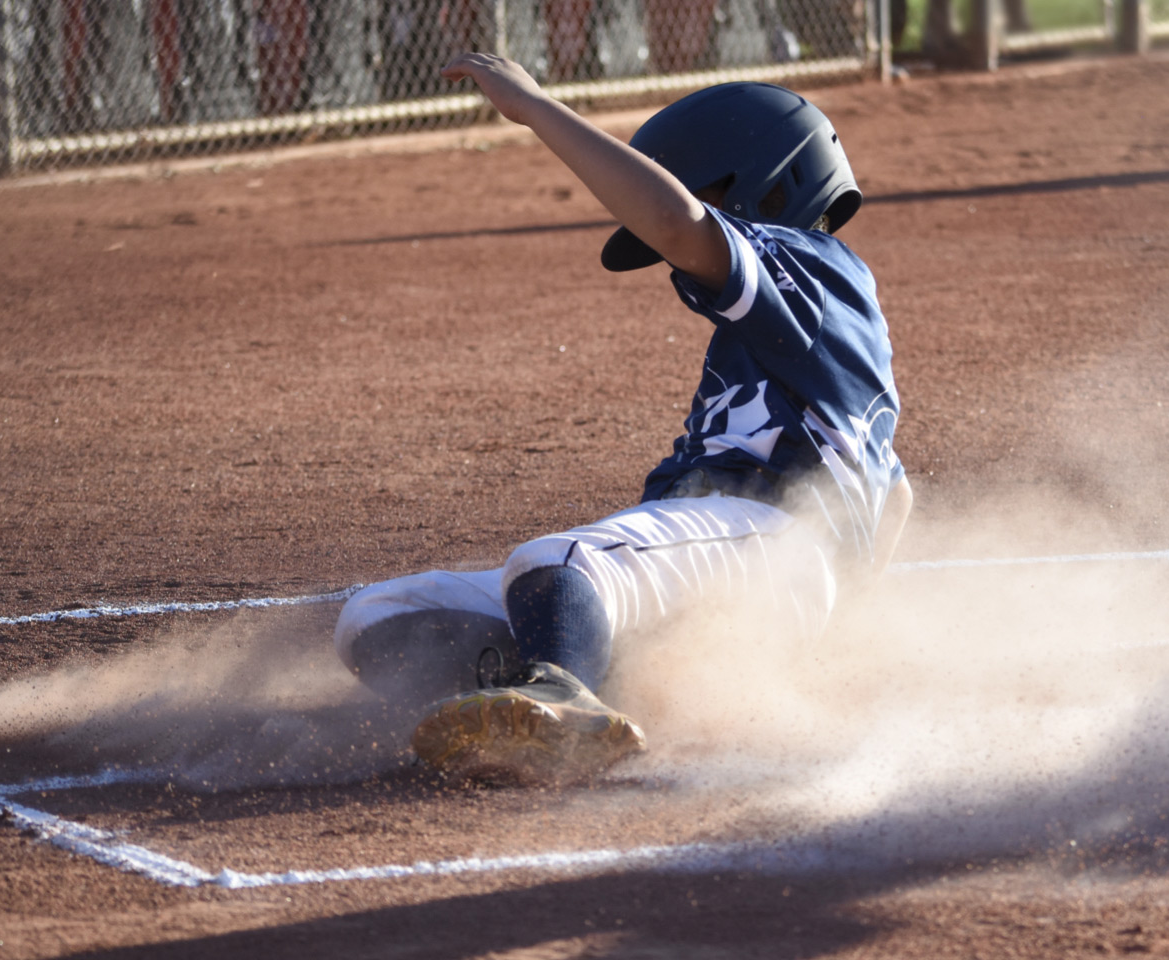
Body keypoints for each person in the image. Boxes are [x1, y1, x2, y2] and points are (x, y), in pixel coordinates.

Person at [331, 55, 912, 783]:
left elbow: (673, 220)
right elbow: (895, 498)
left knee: (556, 563)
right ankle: (553, 694)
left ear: (764, 182)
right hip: (731, 573)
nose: (676, 249)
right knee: (378, 615)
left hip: (771, 544)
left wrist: (537, 108)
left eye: (704, 193)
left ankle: (563, 704)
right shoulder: (801, 329)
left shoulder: (817, 265)